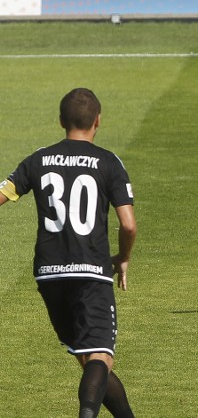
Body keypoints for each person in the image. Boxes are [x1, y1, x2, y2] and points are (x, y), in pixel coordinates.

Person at [0, 88, 137, 417]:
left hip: (49, 275)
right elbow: (128, 225)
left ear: (61, 121)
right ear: (98, 121)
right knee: (101, 358)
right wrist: (124, 257)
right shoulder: (107, 162)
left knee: (90, 361)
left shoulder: (38, 158)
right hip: (90, 272)